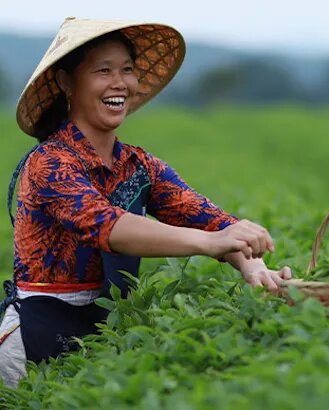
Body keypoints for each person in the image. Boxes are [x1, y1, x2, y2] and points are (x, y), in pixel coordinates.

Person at [0, 17, 291, 388]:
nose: (119, 82)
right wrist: (207, 244)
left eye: (127, 70)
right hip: (36, 337)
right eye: (103, 70)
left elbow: (208, 219)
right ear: (66, 82)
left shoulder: (140, 166)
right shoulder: (50, 163)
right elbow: (108, 226)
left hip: (104, 333)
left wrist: (254, 269)